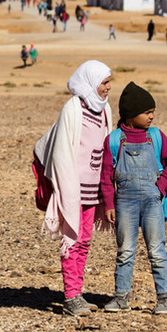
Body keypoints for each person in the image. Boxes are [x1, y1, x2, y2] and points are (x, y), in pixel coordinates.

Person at [33, 60, 113, 316]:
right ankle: (70, 297)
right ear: (91, 82)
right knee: (72, 240)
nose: (108, 87)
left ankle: (77, 292)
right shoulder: (73, 108)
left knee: (85, 240)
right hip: (73, 189)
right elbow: (62, 152)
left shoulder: (104, 110)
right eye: (104, 82)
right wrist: (67, 189)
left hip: (93, 191)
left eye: (109, 82)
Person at [100, 81, 167, 314]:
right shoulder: (114, 140)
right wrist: (108, 204)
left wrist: (161, 186)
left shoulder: (156, 137)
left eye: (152, 112)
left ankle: (164, 299)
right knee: (125, 251)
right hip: (124, 203)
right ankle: (121, 298)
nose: (152, 117)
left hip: (152, 202)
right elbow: (106, 176)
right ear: (131, 115)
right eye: (147, 112)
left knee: (157, 250)